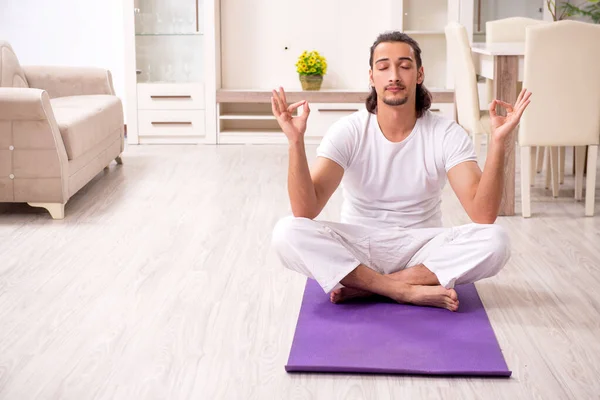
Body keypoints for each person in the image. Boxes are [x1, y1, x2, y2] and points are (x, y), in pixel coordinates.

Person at [270, 31, 531, 311]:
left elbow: (483, 214)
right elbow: (305, 210)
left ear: (419, 74)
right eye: (383, 67)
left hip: (421, 249)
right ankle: (403, 290)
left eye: (404, 66)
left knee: (496, 239)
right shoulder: (348, 131)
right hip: (360, 245)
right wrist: (295, 142)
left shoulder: (445, 133)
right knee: (287, 232)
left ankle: (370, 287)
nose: (394, 75)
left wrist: (498, 142)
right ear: (372, 77)